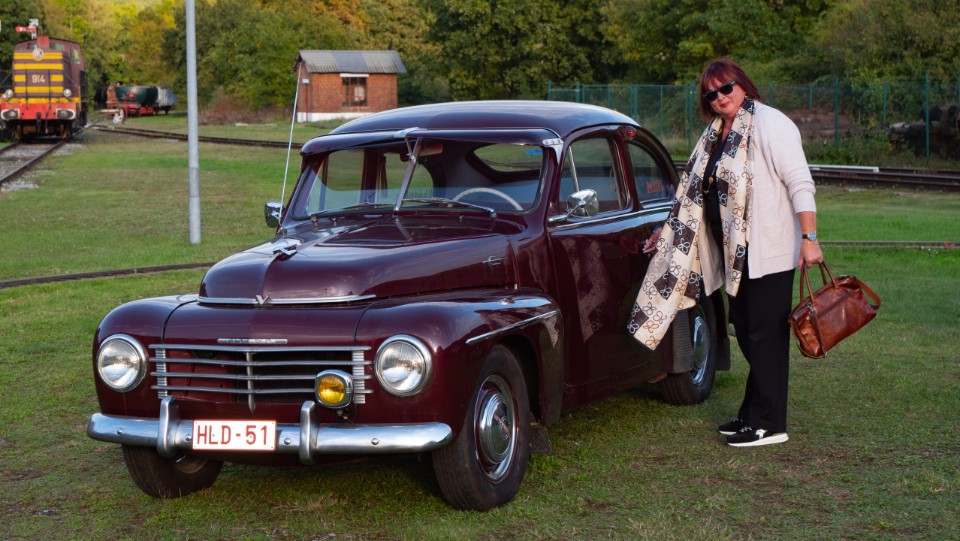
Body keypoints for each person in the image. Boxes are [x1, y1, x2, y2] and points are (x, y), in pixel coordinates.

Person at [627, 58, 823, 447]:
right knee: (748, 331)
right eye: (710, 94)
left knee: (763, 336)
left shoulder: (771, 124)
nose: (719, 97)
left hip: (768, 251)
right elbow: (693, 192)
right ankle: (753, 413)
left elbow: (800, 182)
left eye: (726, 88)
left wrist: (810, 237)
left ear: (743, 85)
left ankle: (769, 424)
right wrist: (668, 232)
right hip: (735, 258)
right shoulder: (715, 134)